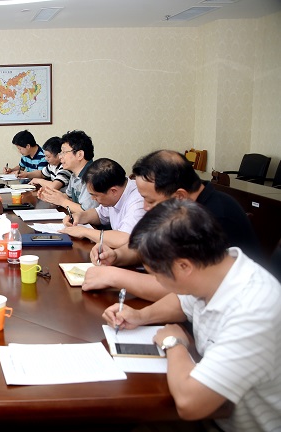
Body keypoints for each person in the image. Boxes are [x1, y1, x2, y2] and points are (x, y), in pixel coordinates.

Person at [102, 199, 281, 431]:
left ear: (184, 266)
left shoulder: (254, 310)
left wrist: (174, 343)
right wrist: (140, 315)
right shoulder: (216, 267)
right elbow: (181, 301)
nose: (156, 280)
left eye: (155, 273)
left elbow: (190, 404)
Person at [84, 149, 261, 302]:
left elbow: (180, 287)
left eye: (149, 200)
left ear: (179, 196)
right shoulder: (183, 206)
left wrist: (115, 277)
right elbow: (147, 245)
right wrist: (116, 255)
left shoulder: (214, 217)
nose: (145, 207)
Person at [60, 158, 145, 249]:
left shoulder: (138, 201)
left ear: (113, 191)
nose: (93, 198)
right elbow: (99, 214)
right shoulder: (116, 191)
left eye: (95, 195)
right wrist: (79, 216)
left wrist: (84, 232)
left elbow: (125, 239)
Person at [37, 129, 98, 213]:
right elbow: (69, 199)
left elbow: (88, 212)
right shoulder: (74, 175)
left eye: (64, 152)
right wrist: (51, 197)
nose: (60, 157)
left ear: (79, 155)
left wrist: (62, 201)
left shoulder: (93, 177)